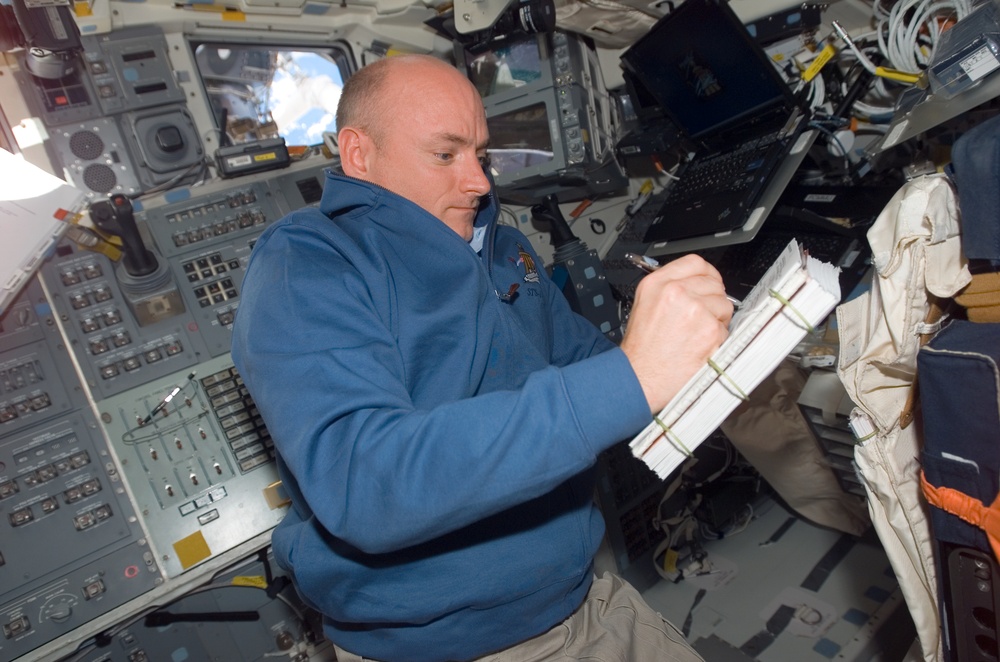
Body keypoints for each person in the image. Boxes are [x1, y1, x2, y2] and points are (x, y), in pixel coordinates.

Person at [230, 53, 731, 661]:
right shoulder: (306, 263)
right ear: (359, 154)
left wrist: (705, 358)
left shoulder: (501, 244)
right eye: (445, 155)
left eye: (480, 154)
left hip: (585, 601)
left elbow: (586, 360)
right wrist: (633, 377)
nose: (478, 182)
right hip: (446, 648)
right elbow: (367, 480)